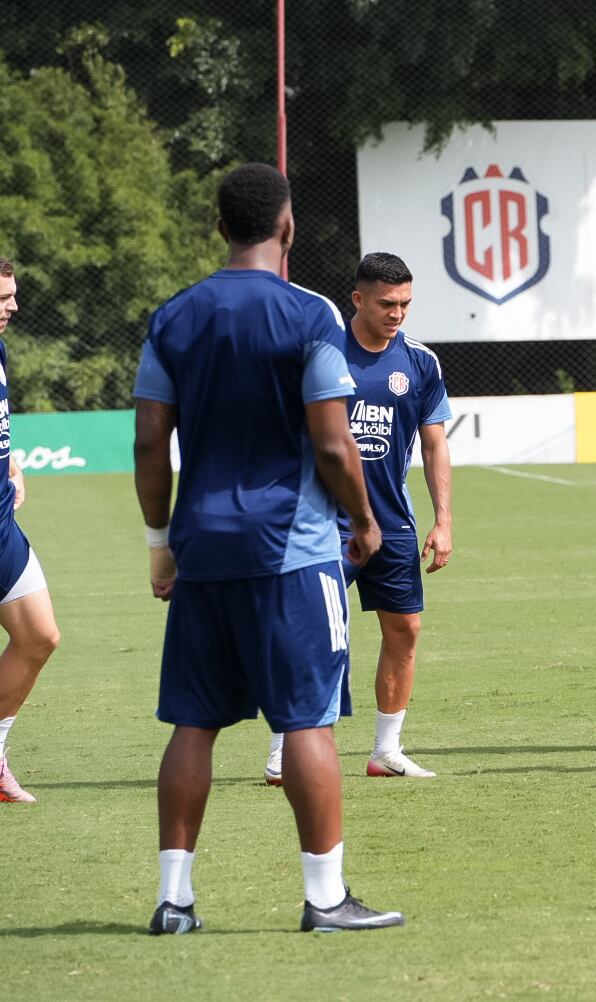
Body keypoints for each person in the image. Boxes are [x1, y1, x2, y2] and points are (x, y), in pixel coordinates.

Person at [134, 163, 403, 934]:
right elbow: (331, 440)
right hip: (291, 551)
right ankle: (325, 900)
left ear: (220, 228)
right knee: (307, 722)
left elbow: (152, 438)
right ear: (287, 229)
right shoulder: (310, 315)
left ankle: (174, 900)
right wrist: (365, 519)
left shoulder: (173, 317)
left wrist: (161, 542)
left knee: (195, 722)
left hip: (202, 550)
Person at [265, 252, 452, 784]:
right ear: (358, 299)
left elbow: (435, 445)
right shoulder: (321, 354)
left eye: (405, 304)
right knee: (311, 636)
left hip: (392, 522)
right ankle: (284, 750)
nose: (397, 314)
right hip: (325, 522)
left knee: (405, 630)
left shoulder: (420, 363)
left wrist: (443, 521)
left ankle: (386, 751)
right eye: (387, 303)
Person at [0, 258, 62, 804]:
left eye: (12, 295)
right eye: (3, 298)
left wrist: (12, 465)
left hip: (2, 527)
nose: (13, 306)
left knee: (40, 636)